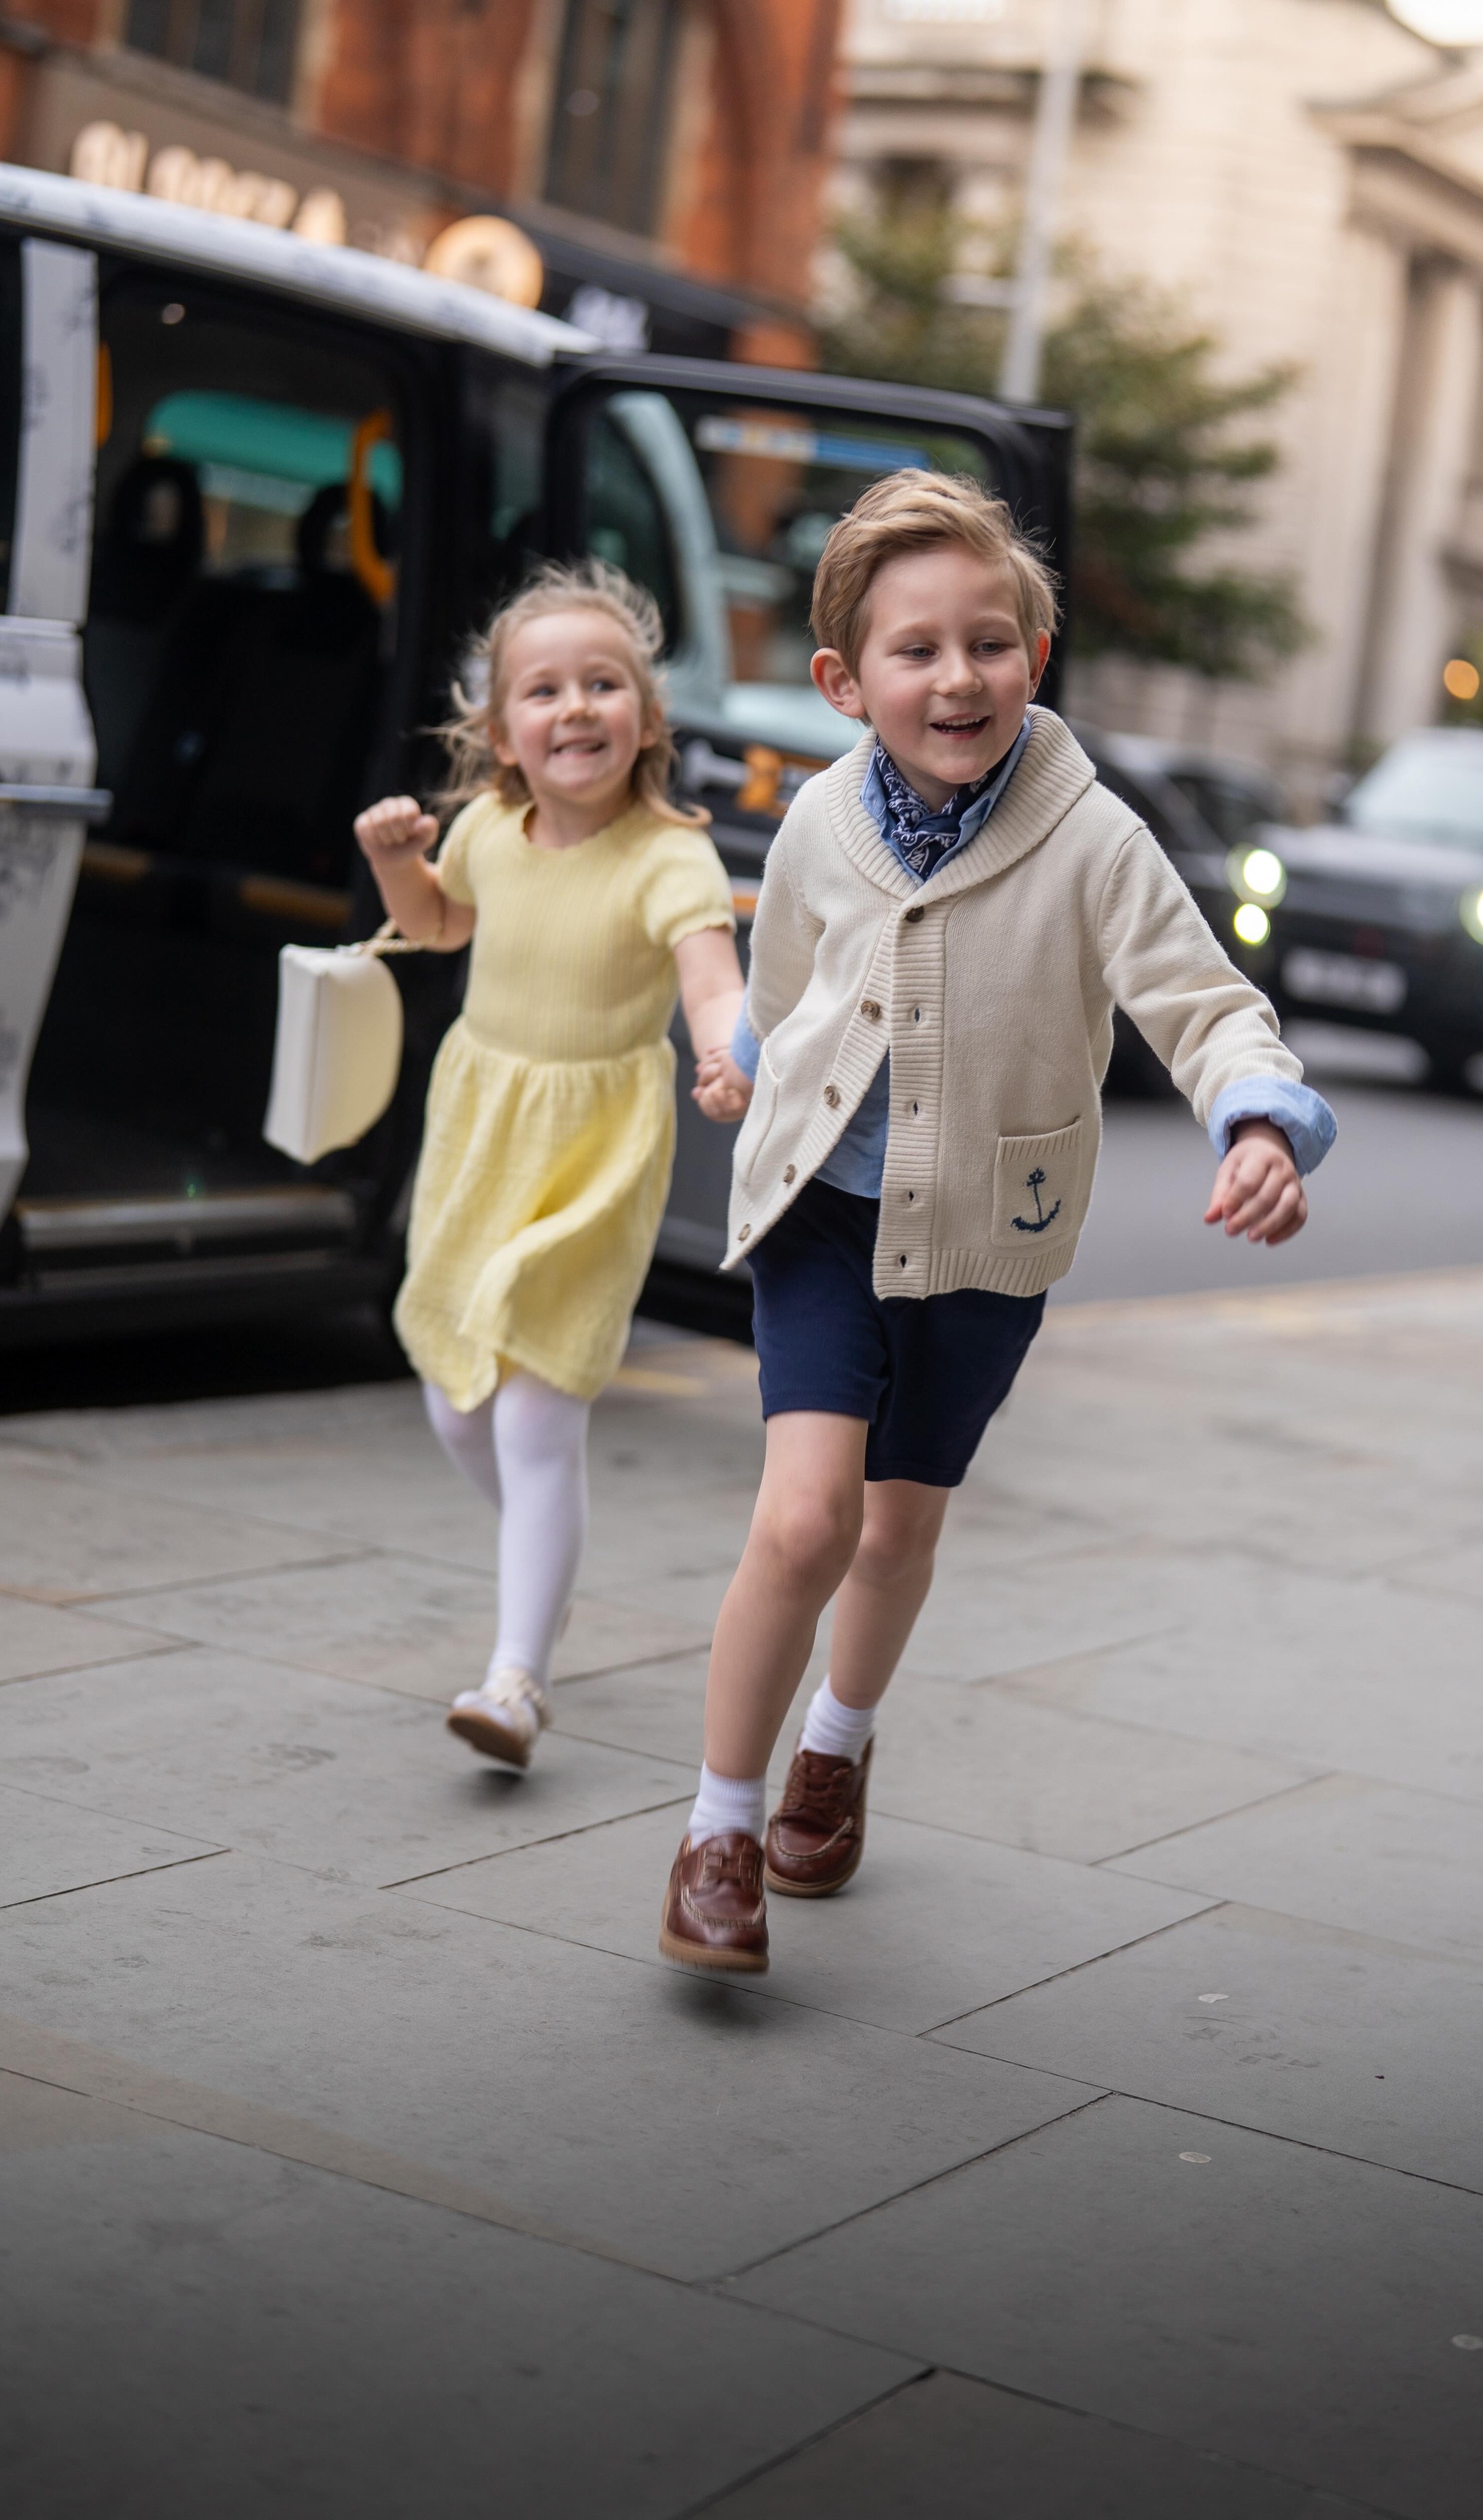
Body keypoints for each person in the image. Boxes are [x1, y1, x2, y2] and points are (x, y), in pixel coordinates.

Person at [659, 472, 1335, 1971]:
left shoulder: (1094, 840)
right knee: (806, 1514)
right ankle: (717, 1826)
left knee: (897, 1525)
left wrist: (1261, 1118)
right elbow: (787, 992)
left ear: (1036, 652)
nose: (954, 676)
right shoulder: (823, 818)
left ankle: (836, 1743)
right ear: (844, 679)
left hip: (985, 1234)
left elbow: (1203, 1003)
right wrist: (743, 1068)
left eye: (987, 642)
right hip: (823, 1216)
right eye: (915, 649)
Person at [354, 560, 743, 1772]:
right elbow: (437, 926)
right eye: (544, 690)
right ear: (502, 735)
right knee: (454, 1399)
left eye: (603, 684)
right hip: (483, 1128)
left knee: (534, 1414)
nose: (575, 707)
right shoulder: (485, 833)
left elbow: (713, 981)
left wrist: (731, 1055)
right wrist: (391, 862)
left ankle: (516, 1679)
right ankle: (546, 1564)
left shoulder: (669, 857)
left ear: (645, 718)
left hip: (597, 1152)